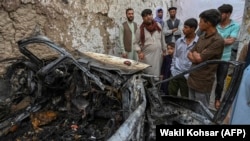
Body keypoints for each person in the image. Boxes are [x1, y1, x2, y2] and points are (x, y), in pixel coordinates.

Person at [187, 9, 224, 108]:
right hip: (192, 79)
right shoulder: (202, 36)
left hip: (203, 83)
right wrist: (197, 55)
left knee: (201, 112)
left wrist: (197, 56)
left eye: (201, 21)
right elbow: (189, 53)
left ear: (208, 23)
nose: (199, 24)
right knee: (191, 109)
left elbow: (199, 59)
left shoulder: (218, 40)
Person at [214, 4, 240, 110]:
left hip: (224, 58)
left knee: (220, 81)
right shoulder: (215, 23)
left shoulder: (235, 26)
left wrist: (216, 40)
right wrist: (224, 40)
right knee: (208, 78)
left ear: (228, 14)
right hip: (212, 56)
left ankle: (217, 99)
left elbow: (231, 41)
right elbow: (211, 38)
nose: (219, 15)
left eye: (222, 13)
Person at [168, 18, 199, 98]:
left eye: (186, 27)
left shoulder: (198, 43)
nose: (183, 29)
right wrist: (172, 69)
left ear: (192, 29)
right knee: (171, 96)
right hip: (175, 73)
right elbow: (175, 56)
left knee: (185, 98)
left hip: (187, 76)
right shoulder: (179, 41)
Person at [134, 9, 166, 78]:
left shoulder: (158, 26)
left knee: (158, 74)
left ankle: (157, 88)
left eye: (150, 15)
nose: (148, 17)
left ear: (152, 15)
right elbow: (135, 43)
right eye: (146, 16)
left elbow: (162, 39)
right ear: (143, 18)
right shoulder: (140, 29)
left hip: (158, 56)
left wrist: (164, 50)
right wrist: (139, 52)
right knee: (148, 76)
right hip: (147, 58)